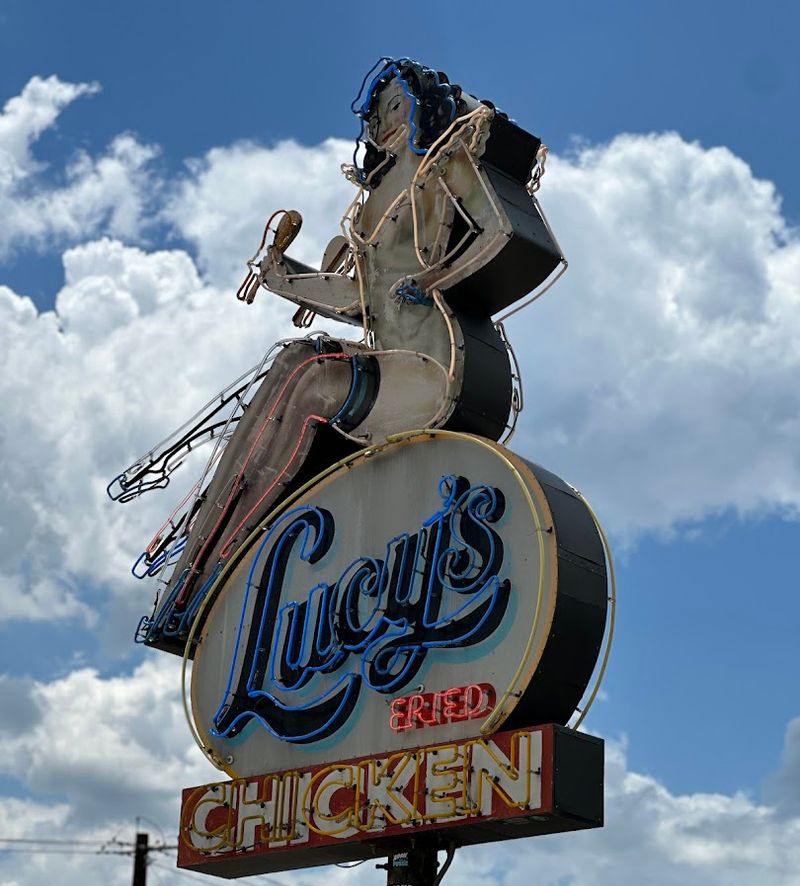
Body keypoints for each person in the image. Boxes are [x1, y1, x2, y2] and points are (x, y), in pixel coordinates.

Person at [114, 57, 563, 654]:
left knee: (307, 371)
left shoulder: (447, 167)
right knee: (290, 369)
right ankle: (205, 559)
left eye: (398, 105)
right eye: (378, 113)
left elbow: (512, 236)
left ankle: (213, 554)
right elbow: (360, 300)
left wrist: (437, 278)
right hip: (388, 367)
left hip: (437, 370)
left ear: (425, 105)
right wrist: (281, 275)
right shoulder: (371, 203)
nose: (386, 120)